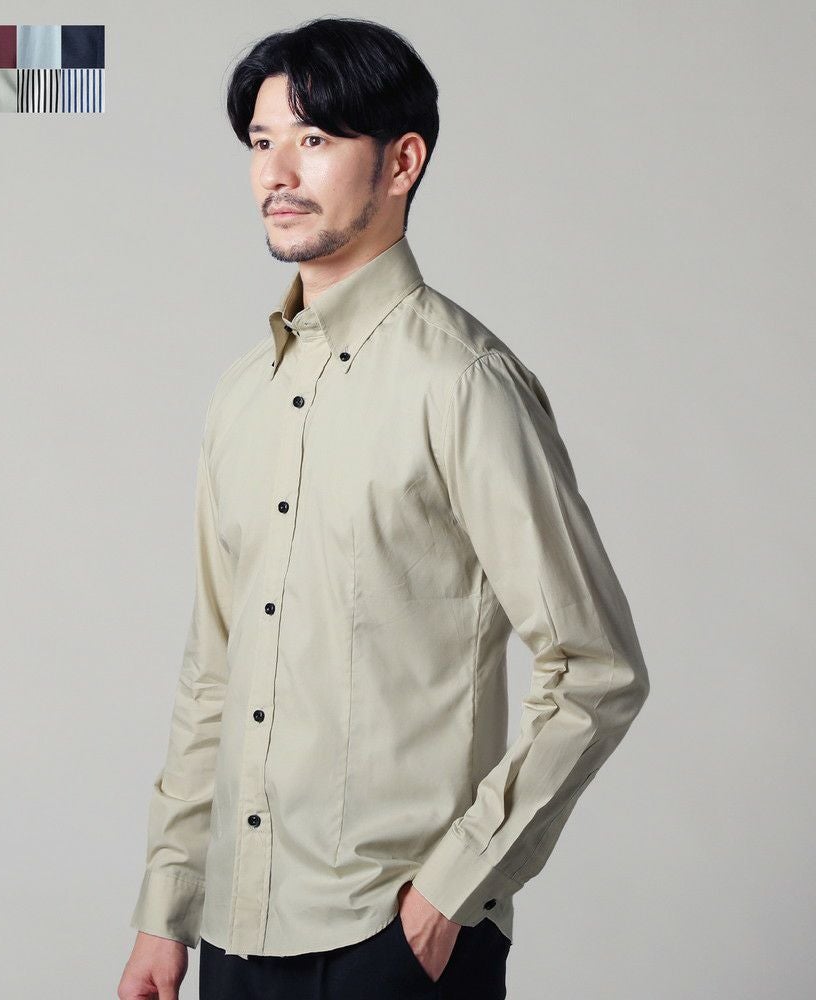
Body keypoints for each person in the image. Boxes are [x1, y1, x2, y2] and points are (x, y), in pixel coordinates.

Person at [117, 16, 650, 1000]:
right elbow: (214, 668)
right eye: (262, 141)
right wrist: (168, 901)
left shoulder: (463, 383)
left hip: (390, 936)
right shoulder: (240, 396)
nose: (278, 172)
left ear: (402, 162)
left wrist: (451, 894)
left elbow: (594, 666)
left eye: (314, 139)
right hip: (232, 931)